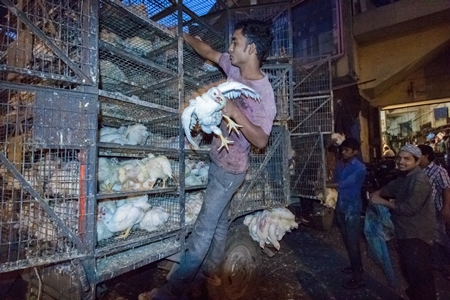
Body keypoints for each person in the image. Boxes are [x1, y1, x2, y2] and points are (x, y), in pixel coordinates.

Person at [148, 19, 276, 300]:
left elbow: (262, 140)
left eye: (235, 43)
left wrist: (234, 110)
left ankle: (170, 293)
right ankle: (212, 271)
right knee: (218, 222)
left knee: (203, 230)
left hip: (231, 171)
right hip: (219, 161)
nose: (229, 48)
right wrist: (182, 35)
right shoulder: (234, 67)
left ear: (251, 48)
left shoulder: (265, 95)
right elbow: (207, 51)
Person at [370, 144, 436, 300]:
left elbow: (409, 208)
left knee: (421, 277)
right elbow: (390, 188)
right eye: (399, 158)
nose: (401, 162)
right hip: (405, 233)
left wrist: (381, 201)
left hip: (417, 235)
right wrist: (378, 193)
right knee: (410, 272)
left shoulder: (419, 180)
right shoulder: (405, 177)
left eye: (407, 159)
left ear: (417, 161)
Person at [326, 138, 367, 289]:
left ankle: (359, 278)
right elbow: (335, 180)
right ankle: (356, 267)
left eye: (347, 150)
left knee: (353, 243)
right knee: (347, 240)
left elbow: (344, 184)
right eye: (343, 150)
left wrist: (325, 184)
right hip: (341, 207)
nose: (344, 152)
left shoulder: (360, 168)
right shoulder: (339, 164)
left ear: (355, 152)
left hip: (352, 208)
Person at [417, 144, 450, 281]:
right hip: (422, 211)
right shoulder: (419, 170)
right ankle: (436, 262)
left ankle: (447, 266)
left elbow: (446, 189)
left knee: (441, 238)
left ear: (426, 156)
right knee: (430, 238)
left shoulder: (439, 171)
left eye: (419, 155)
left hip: (436, 210)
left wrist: (446, 207)